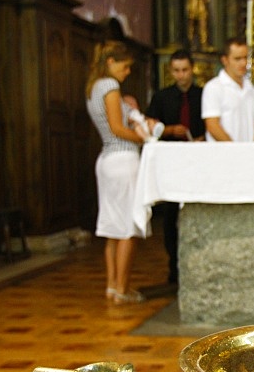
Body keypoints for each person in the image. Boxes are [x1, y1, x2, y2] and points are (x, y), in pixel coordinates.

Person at [85, 40, 153, 305]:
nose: (127, 73)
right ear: (111, 62)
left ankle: (112, 286)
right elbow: (116, 128)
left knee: (113, 228)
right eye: (125, 68)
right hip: (122, 158)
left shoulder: (93, 87)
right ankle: (123, 289)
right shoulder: (110, 86)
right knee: (127, 228)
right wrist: (144, 138)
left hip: (106, 160)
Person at [145, 50, 204, 285]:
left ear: (192, 69)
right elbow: (150, 126)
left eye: (185, 70)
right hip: (172, 161)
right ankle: (174, 267)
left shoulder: (203, 95)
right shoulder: (162, 97)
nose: (181, 75)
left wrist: (202, 137)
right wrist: (170, 130)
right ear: (171, 71)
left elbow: (212, 121)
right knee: (171, 216)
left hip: (199, 159)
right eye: (177, 71)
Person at [201, 37, 254, 142]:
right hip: (223, 154)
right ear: (225, 60)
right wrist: (234, 150)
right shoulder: (214, 87)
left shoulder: (251, 89)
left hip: (249, 155)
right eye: (237, 59)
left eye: (245, 58)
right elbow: (212, 125)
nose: (243, 63)